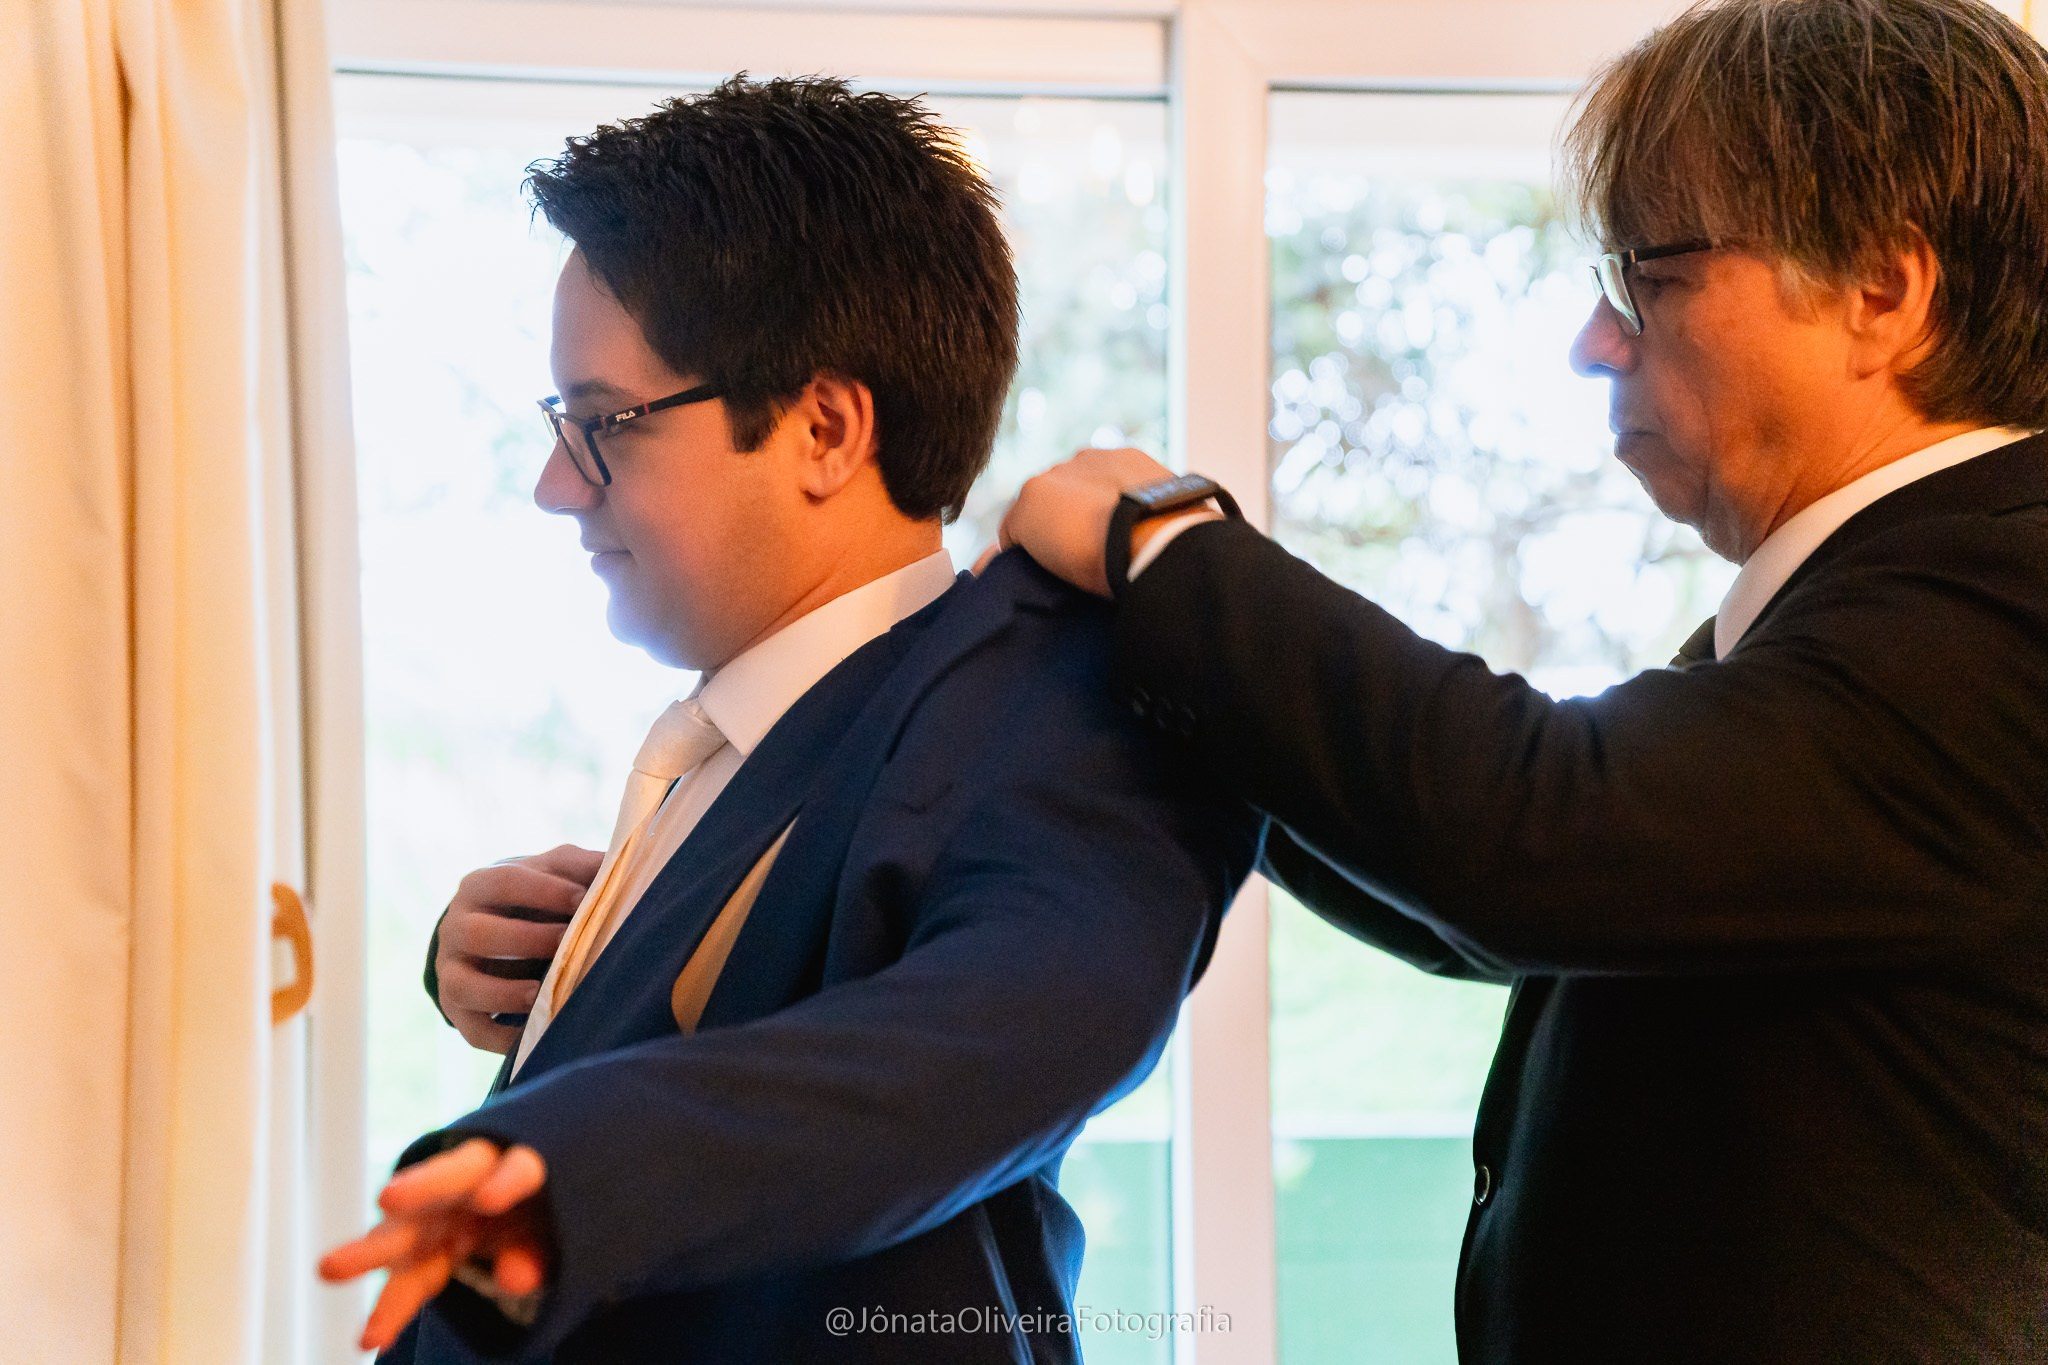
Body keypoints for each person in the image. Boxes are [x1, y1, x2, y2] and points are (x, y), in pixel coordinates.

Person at [999, 1, 2048, 1361]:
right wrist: (1180, 704)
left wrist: (1167, 549)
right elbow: (1515, 910)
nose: (1595, 345)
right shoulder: (1869, 610)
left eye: (1650, 278)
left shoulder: (2000, 607)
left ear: (1880, 293)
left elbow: (1539, 832)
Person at [318, 76, 1254, 1364]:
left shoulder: (1059, 706)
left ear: (822, 427)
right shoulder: (746, 730)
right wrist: (545, 982)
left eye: (602, 426)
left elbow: (977, 1048)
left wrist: (565, 1168)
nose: (552, 485)